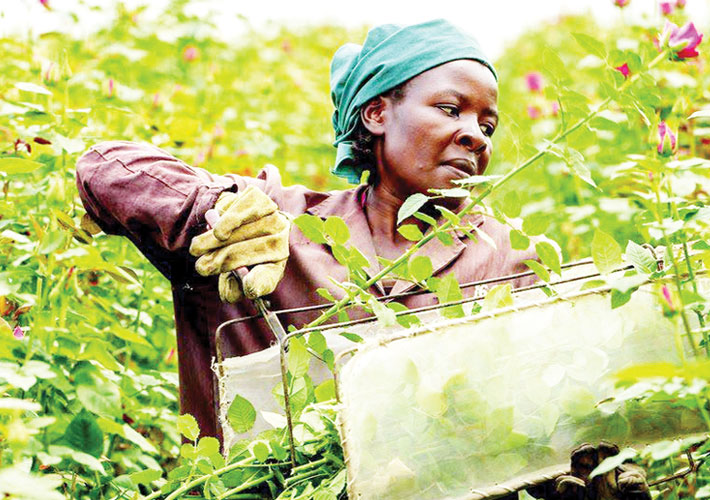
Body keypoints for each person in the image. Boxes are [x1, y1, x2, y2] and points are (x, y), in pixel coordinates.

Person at [76, 19, 650, 499]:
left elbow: (529, 436)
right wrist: (211, 212)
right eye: (450, 109)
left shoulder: (506, 266)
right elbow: (102, 168)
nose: (475, 134)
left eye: (486, 124)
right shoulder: (277, 222)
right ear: (376, 114)